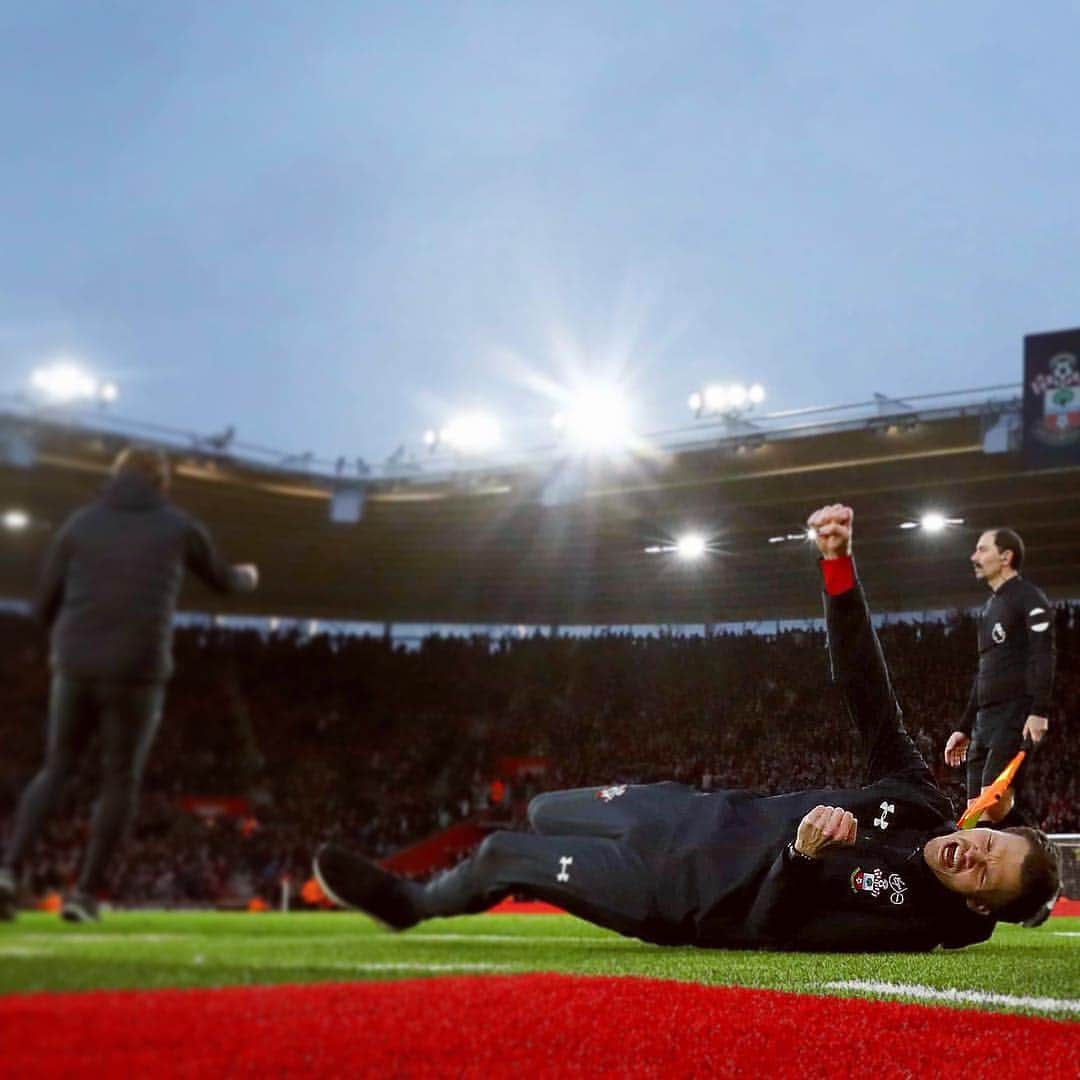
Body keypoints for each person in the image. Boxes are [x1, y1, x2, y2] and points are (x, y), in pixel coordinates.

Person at [313, 505, 1059, 952]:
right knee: (541, 809)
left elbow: (771, 928)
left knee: (505, 851)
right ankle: (464, 878)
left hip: (676, 892)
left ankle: (406, 905)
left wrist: (800, 856)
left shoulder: (907, 920)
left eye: (986, 874)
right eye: (990, 844)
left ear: (978, 906)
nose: (974, 854)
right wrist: (837, 568)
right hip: (686, 814)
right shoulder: (919, 796)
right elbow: (869, 691)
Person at [0, 446, 259, 922]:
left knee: (56, 768)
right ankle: (85, 895)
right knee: (120, 779)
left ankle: (7, 871)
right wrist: (246, 576)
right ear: (163, 484)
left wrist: (66, 636)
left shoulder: (78, 524)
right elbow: (222, 580)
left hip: (75, 665)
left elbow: (41, 607)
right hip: (137, 671)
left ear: (113, 476)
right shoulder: (179, 526)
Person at [944, 528, 1055, 826]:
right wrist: (964, 726)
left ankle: (1036, 845)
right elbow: (984, 671)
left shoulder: (1029, 598)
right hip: (984, 720)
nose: (974, 557)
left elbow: (1043, 654)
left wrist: (1038, 710)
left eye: (982, 550)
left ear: (1006, 556)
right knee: (974, 812)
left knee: (993, 805)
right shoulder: (990, 607)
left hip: (1014, 713)